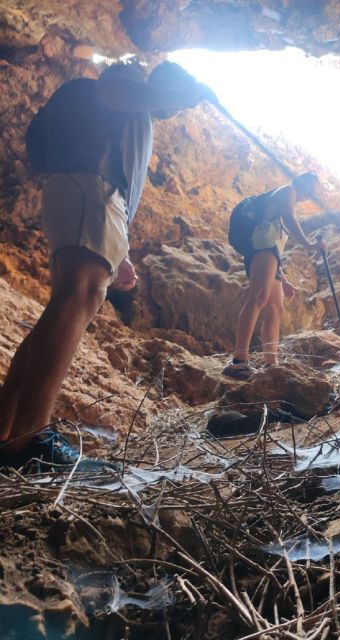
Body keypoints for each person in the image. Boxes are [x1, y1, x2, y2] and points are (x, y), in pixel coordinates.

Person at [0, 60, 213, 470]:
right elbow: (114, 93)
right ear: (166, 87)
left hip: (85, 195)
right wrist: (186, 93)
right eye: (178, 99)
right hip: (90, 189)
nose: (178, 110)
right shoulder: (129, 81)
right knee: (81, 294)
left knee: (66, 303)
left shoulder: (132, 118)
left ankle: (7, 431)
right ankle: (29, 439)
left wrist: (123, 251)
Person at [223, 172, 326, 380]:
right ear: (302, 182)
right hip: (263, 247)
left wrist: (284, 280)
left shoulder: (284, 198)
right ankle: (239, 361)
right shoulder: (288, 190)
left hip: (269, 250)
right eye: (312, 187)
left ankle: (271, 363)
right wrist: (309, 245)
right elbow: (289, 218)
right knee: (259, 297)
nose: (312, 193)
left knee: (276, 308)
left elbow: (277, 247)